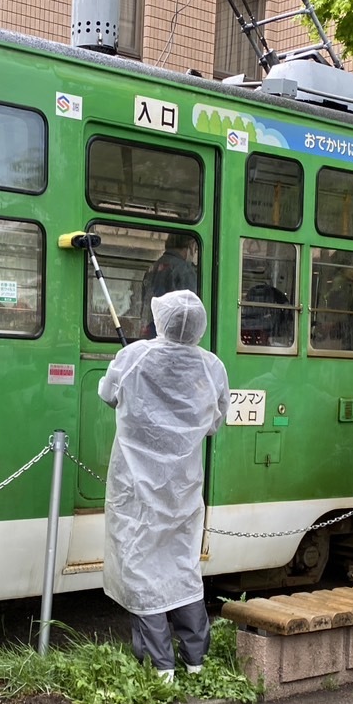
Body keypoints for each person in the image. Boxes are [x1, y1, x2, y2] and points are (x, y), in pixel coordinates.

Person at [100, 289, 230, 682]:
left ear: (161, 319)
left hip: (136, 486)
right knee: (181, 567)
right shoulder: (211, 367)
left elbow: (108, 394)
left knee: (142, 571)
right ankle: (195, 660)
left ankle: (160, 668)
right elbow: (214, 422)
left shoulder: (134, 356)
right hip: (183, 488)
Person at [141, 231, 199, 336]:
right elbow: (191, 313)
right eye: (195, 249)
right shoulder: (184, 270)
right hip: (173, 334)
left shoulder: (153, 267)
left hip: (152, 331)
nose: (194, 253)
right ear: (191, 245)